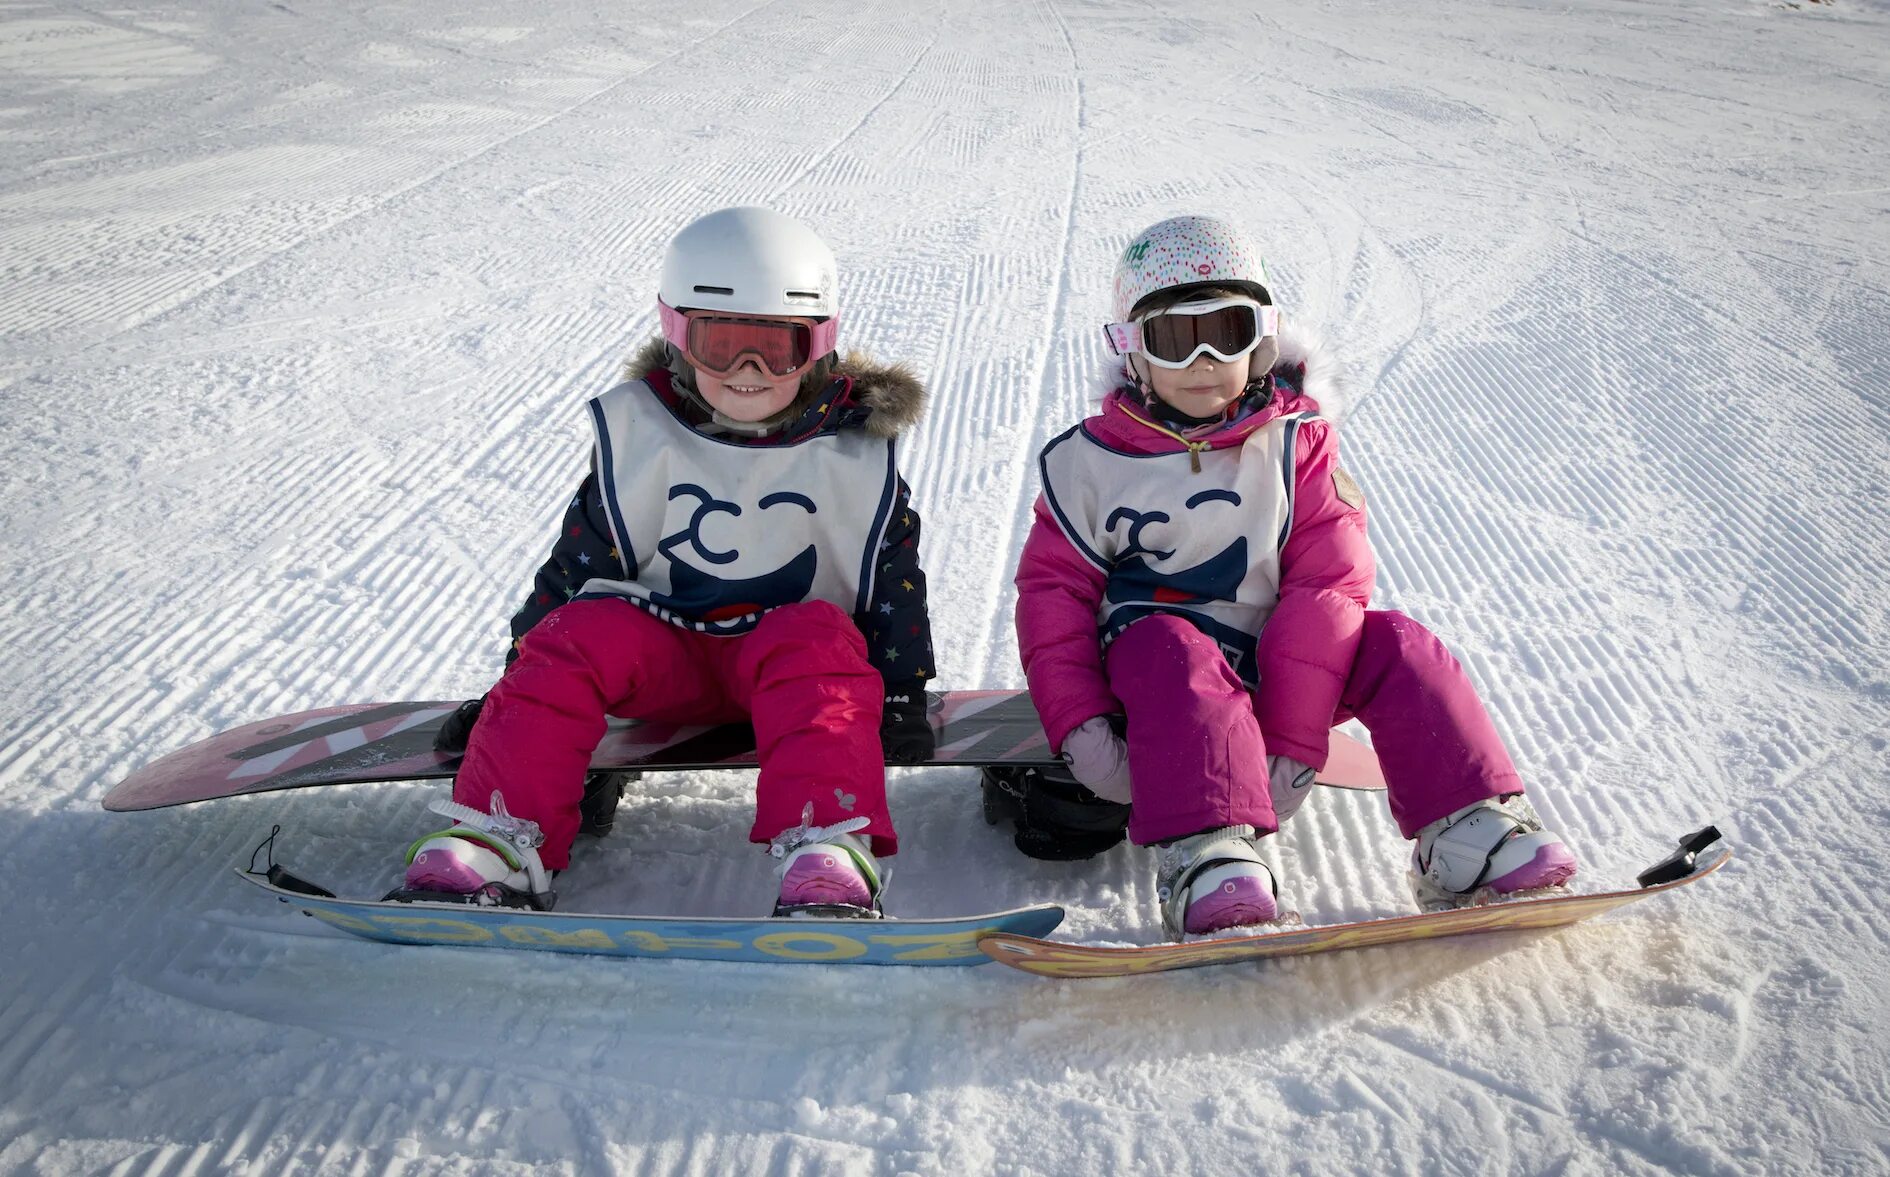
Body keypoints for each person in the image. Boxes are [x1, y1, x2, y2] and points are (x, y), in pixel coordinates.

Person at [1012, 214, 1577, 940]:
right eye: (1177, 339)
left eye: (1231, 330)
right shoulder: (1088, 465)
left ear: (1265, 338)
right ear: (1131, 351)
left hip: (1278, 671)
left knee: (1397, 642)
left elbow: (1327, 586)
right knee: (1170, 646)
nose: (1207, 359)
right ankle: (1208, 850)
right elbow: (1052, 597)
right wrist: (1082, 726)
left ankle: (1472, 828)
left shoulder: (1296, 446)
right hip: (1153, 684)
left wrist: (1293, 732)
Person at [404, 206, 935, 916]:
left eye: (775, 350)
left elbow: (893, 576)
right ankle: (502, 836)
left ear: (820, 346)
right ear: (678, 337)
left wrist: (901, 689)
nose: (747, 373)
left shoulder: (851, 452)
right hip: (664, 654)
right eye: (722, 347)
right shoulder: (643, 435)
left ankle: (827, 847)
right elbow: (576, 565)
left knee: (819, 635)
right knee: (578, 629)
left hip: (791, 667)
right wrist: (513, 685)